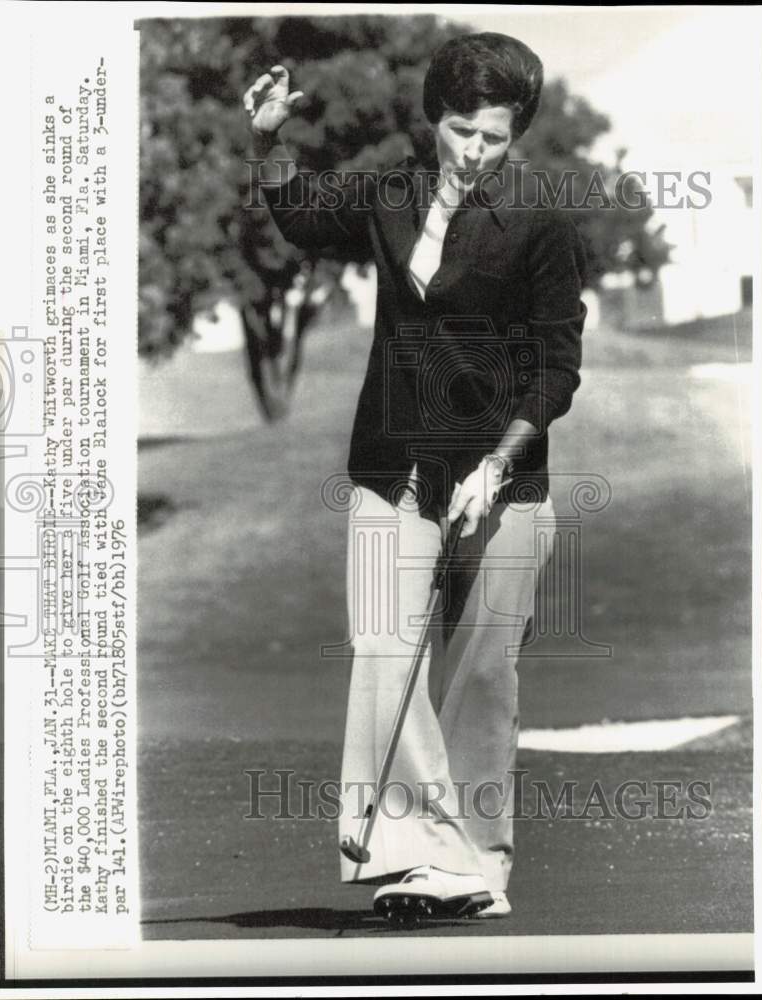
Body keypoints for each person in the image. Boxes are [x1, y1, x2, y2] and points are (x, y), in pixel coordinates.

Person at [244, 32, 586, 922]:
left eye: (495, 138)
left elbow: (556, 366)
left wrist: (499, 464)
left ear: (518, 137)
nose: (475, 151)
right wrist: (269, 142)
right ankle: (429, 856)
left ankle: (473, 869)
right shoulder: (390, 190)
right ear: (436, 116)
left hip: (502, 476)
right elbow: (304, 217)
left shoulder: (542, 223)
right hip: (389, 466)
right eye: (463, 129)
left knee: (481, 675)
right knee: (382, 652)